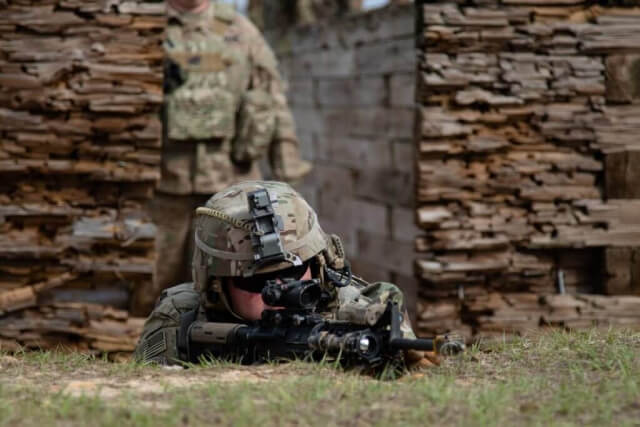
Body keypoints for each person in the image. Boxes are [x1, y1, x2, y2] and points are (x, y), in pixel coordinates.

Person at [135, 181, 438, 370]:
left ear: (318, 263)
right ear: (215, 284)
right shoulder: (183, 316)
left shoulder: (355, 313)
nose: (279, 293)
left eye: (293, 272)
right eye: (255, 282)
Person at [137, 0, 311, 314]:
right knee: (151, 283)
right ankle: (148, 349)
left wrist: (288, 177)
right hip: (162, 187)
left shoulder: (241, 32)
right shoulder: (146, 27)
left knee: (238, 283)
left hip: (232, 190)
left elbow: (274, 103)